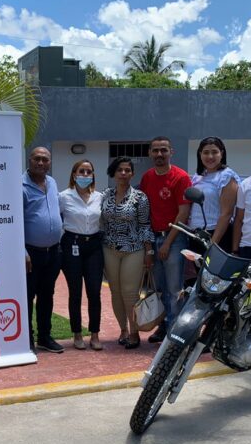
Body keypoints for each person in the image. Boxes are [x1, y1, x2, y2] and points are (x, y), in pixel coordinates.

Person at [139, 136, 192, 343]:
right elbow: (144, 211)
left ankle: (174, 332)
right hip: (153, 238)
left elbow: (183, 213)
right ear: (150, 153)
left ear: (171, 152)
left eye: (163, 150)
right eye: (155, 151)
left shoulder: (180, 177)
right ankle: (163, 327)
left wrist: (168, 243)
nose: (159, 154)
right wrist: (149, 247)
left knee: (174, 290)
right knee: (159, 289)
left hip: (174, 240)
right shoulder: (147, 177)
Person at [100, 157, 153, 350]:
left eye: (127, 170)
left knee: (130, 294)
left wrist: (149, 251)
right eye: (119, 170)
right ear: (113, 173)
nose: (123, 173)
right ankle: (122, 329)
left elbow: (145, 226)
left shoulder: (140, 198)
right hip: (109, 249)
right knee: (115, 292)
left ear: (132, 174)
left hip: (134, 249)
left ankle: (134, 331)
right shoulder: (105, 195)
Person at [58, 160, 104, 351]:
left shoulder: (99, 197)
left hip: (93, 246)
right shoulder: (63, 196)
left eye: (88, 172)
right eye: (81, 171)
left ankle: (94, 334)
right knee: (75, 292)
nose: (85, 175)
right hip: (72, 245)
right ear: (74, 174)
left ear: (93, 175)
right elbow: (55, 218)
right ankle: (77, 333)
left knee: (94, 292)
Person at [23, 146, 64, 354]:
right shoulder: (19, 186)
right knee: (28, 296)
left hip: (53, 251)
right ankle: (26, 338)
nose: (41, 163)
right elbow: (15, 222)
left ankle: (45, 337)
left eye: (45, 160)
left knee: (47, 295)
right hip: (31, 253)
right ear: (29, 161)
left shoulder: (52, 182)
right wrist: (22, 252)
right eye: (37, 159)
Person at [189, 137, 240, 248]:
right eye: (206, 152)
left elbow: (226, 214)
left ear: (221, 153)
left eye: (214, 152)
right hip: (196, 234)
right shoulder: (198, 175)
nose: (210, 156)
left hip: (216, 236)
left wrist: (212, 244)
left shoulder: (227, 176)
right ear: (200, 154)